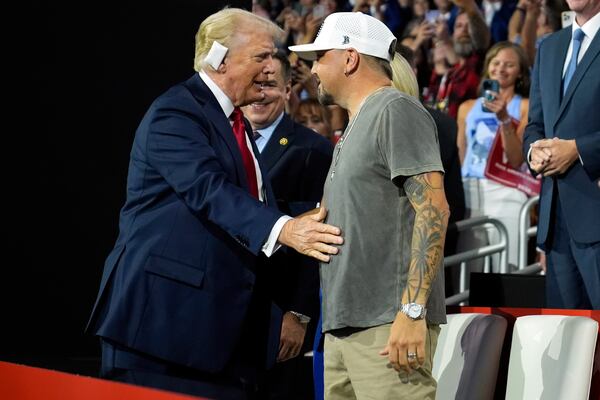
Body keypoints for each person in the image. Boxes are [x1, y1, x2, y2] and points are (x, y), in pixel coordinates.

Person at [86, 8, 343, 400]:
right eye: (262, 56)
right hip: (163, 332)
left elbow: (252, 207)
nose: (273, 68)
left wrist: (300, 225)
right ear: (219, 59)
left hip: (220, 339)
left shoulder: (234, 124)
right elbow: (208, 190)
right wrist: (286, 229)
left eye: (275, 58)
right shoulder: (177, 112)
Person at [290, 11, 450, 399]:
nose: (313, 70)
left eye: (319, 57)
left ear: (350, 57)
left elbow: (434, 209)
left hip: (386, 327)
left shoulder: (394, 109)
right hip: (344, 327)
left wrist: (412, 312)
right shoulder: (353, 127)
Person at [241, 49, 334, 399]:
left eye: (270, 85)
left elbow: (318, 238)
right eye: (254, 84)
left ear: (288, 92)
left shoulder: (314, 149)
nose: (260, 94)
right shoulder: (225, 141)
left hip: (280, 314)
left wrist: (299, 313)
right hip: (230, 307)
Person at [523, 0, 600, 309]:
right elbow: (535, 124)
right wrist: (534, 152)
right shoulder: (550, 47)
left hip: (594, 209)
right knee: (568, 336)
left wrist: (578, 149)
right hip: (555, 221)